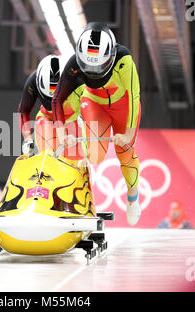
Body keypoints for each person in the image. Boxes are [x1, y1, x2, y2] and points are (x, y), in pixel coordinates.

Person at [52, 22, 142, 226]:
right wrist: (61, 132)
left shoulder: (124, 59)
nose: (92, 71)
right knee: (94, 155)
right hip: (94, 103)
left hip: (124, 106)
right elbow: (57, 98)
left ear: (110, 57)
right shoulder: (74, 62)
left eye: (98, 65)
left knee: (125, 153)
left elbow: (134, 96)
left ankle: (133, 196)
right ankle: (84, 173)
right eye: (88, 65)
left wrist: (127, 135)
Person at [18, 54, 85, 159]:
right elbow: (23, 111)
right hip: (48, 119)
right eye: (48, 98)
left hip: (73, 121)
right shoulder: (32, 81)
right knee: (48, 157)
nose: (53, 101)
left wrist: (84, 117)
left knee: (73, 160)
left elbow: (92, 102)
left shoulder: (79, 80)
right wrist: (28, 139)